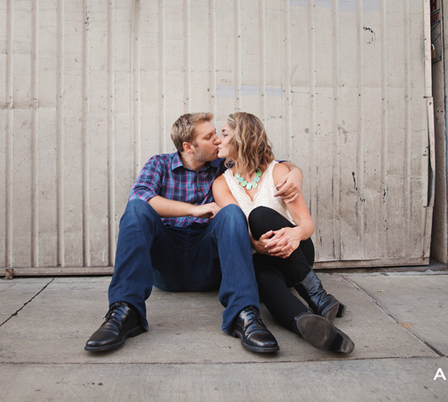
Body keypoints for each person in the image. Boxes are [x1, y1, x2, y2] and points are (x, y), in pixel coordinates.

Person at [85, 112, 303, 354]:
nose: (218, 141)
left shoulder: (223, 164)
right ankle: (124, 311)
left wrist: (295, 172)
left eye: (217, 135)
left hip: (207, 260)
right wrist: (194, 210)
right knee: (136, 209)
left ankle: (244, 314)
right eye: (209, 137)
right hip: (166, 259)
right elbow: (140, 195)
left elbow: (265, 162)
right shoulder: (159, 164)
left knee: (230, 213)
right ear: (188, 146)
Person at [212, 112, 354, 353]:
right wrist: (256, 246)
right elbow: (236, 231)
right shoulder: (222, 184)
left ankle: (316, 294)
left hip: (295, 254)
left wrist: (294, 235)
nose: (218, 139)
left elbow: (306, 224)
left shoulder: (278, 173)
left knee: (259, 215)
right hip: (262, 259)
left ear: (242, 139)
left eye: (224, 134)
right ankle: (306, 324)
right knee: (257, 272)